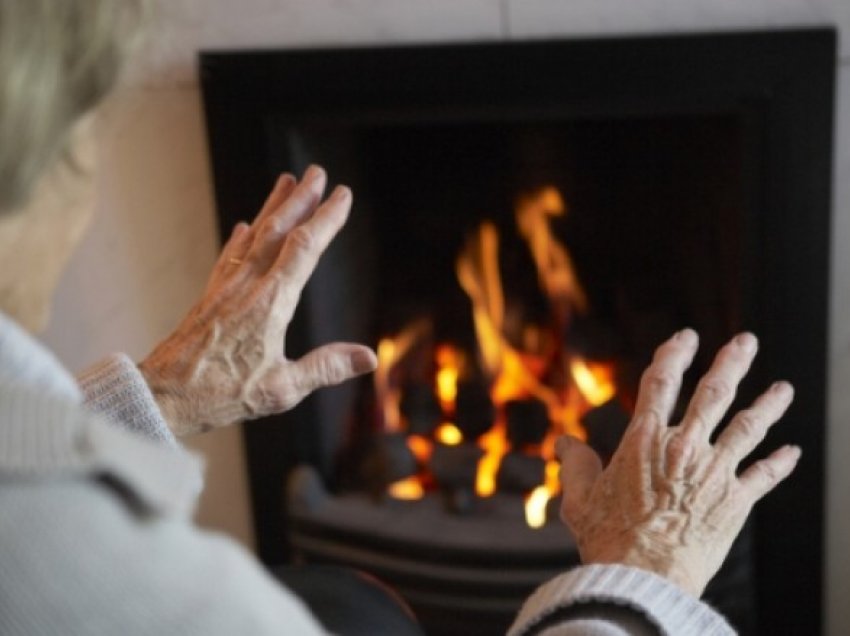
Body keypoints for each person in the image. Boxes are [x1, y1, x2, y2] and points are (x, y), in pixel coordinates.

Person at [0, 1, 801, 634]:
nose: (92, 179)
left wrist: (158, 400)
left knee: (354, 605)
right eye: (88, 136)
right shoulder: (109, 575)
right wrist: (645, 573)